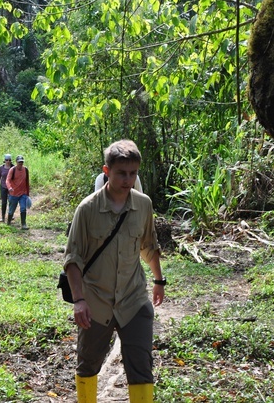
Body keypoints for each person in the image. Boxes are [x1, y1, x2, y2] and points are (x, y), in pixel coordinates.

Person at [63, 139, 164, 403]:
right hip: (96, 301)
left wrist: (159, 280)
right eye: (121, 173)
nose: (128, 179)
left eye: (133, 173)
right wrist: (79, 300)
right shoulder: (87, 209)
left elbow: (149, 245)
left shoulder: (143, 205)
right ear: (106, 171)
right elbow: (73, 259)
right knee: (88, 363)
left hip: (134, 299)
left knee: (141, 365)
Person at [6, 155, 30, 230]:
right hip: (13, 194)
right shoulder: (12, 170)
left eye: (22, 162)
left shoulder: (25, 170)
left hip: (23, 193)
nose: (21, 164)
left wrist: (27, 193)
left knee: (23, 208)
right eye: (19, 162)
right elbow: (7, 180)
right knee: (11, 210)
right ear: (16, 162)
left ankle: (23, 224)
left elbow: (27, 182)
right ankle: (9, 222)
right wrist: (9, 188)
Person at [0, 154, 14, 223]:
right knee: (4, 202)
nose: (8, 161)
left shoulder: (13, 167)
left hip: (11, 187)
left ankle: (11, 215)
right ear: (4, 160)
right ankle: (3, 217)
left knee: (11, 201)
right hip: (3, 186)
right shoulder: (1, 168)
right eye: (7, 160)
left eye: (9, 160)